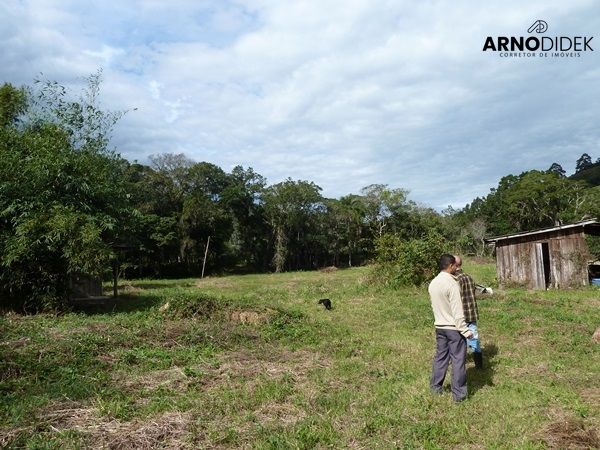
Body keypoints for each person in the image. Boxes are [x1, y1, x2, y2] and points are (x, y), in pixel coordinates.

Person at [429, 254, 473, 402]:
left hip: (440, 327)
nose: (457, 268)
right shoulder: (452, 284)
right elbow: (457, 311)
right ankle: (459, 395)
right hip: (454, 329)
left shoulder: (433, 283)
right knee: (458, 361)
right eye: (455, 266)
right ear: (450, 266)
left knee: (440, 358)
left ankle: (435, 388)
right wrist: (466, 331)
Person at [454, 255, 483, 369]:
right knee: (474, 339)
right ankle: (479, 366)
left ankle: (459, 364)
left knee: (458, 341)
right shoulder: (469, 277)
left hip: (460, 315)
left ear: (454, 265)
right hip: (471, 314)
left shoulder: (455, 279)